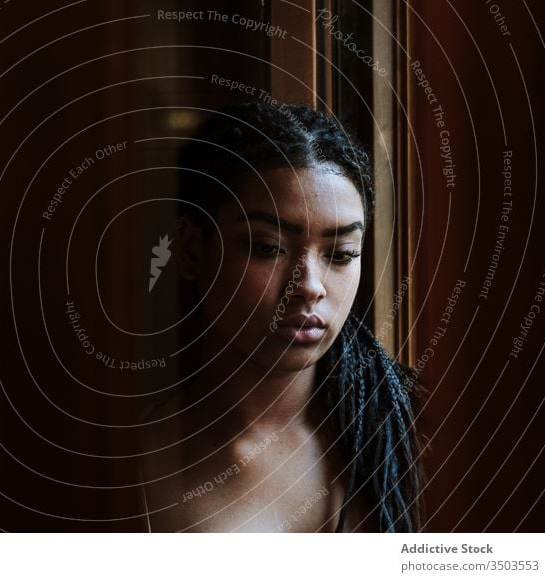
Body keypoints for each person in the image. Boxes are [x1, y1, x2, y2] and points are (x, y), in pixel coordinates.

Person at [139, 101, 422, 533]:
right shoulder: (131, 469)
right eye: (269, 247)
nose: (310, 285)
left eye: (341, 254)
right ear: (193, 249)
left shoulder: (410, 441)